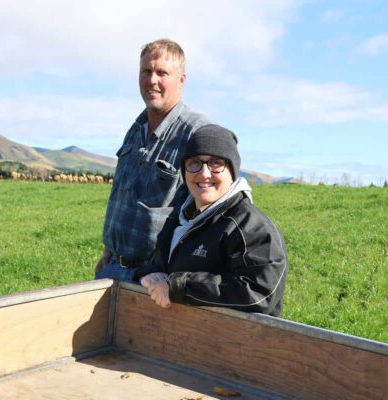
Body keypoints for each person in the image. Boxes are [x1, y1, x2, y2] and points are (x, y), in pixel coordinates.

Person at [136, 125, 288, 317]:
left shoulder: (251, 227)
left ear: (232, 171)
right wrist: (148, 274)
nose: (204, 173)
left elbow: (258, 293)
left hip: (241, 343)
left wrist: (178, 287)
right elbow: (161, 266)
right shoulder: (180, 220)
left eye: (216, 163)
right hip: (187, 336)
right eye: (194, 162)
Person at [95, 39, 211, 281]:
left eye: (162, 73)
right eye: (146, 71)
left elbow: (207, 213)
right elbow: (121, 193)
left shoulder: (196, 134)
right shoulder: (136, 128)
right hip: (112, 267)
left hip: (153, 278)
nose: (152, 80)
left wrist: (174, 277)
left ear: (181, 79)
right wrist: (108, 251)